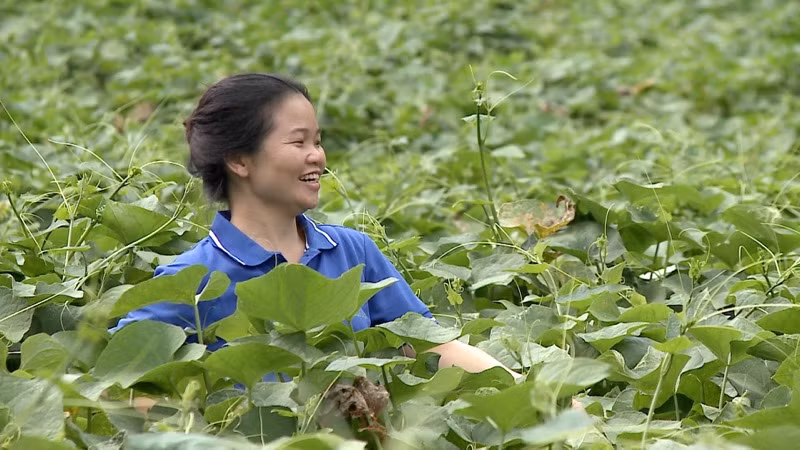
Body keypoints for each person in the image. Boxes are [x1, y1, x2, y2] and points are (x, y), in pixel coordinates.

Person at [115, 73, 519, 379]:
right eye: (299, 143)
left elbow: (432, 346)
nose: (318, 158)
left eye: (318, 141)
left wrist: (529, 392)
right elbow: (121, 376)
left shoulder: (353, 252)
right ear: (239, 160)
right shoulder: (192, 277)